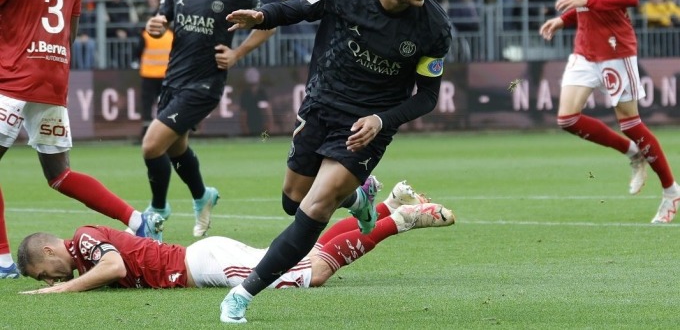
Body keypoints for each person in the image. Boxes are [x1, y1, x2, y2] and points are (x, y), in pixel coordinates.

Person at [222, 0, 452, 323]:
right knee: (292, 200)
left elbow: (427, 96)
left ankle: (241, 296)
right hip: (321, 104)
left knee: (315, 207)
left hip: (367, 125)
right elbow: (297, 7)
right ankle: (360, 198)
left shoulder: (434, 27)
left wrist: (382, 121)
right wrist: (262, 16)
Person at [0, 0, 164, 280]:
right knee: (60, 174)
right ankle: (137, 218)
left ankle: (4, 259)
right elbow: (70, 35)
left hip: (11, 78)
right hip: (52, 78)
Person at [17, 180, 455, 293]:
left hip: (205, 264)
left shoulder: (84, 239)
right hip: (205, 258)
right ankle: (389, 207)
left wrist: (65, 291)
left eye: (45, 273)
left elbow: (113, 265)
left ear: (53, 249)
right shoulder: (83, 248)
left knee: (312, 274)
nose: (51, 280)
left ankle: (402, 221)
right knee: (306, 256)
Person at [538, 0, 680, 224]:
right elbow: (586, 1)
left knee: (630, 121)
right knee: (567, 118)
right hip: (585, 46)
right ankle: (633, 154)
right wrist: (564, 19)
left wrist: (583, 0)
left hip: (614, 47)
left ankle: (671, 191)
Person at [141, 0, 275, 238]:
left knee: (150, 146)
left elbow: (268, 24)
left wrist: (237, 53)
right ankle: (203, 196)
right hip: (173, 80)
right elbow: (161, 21)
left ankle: (157, 214)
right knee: (176, 150)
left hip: (205, 85)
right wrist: (155, 27)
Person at [136, 17, 174, 140]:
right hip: (166, 75)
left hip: (148, 74)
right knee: (165, 104)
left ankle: (146, 132)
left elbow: (137, 52)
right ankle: (165, 133)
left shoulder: (145, 35)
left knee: (147, 105)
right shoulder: (171, 35)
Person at [239, 67, 274, 137]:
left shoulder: (262, 93)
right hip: (250, 128)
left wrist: (267, 130)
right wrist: (246, 132)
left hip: (262, 127)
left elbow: (269, 114)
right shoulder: (245, 95)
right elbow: (243, 117)